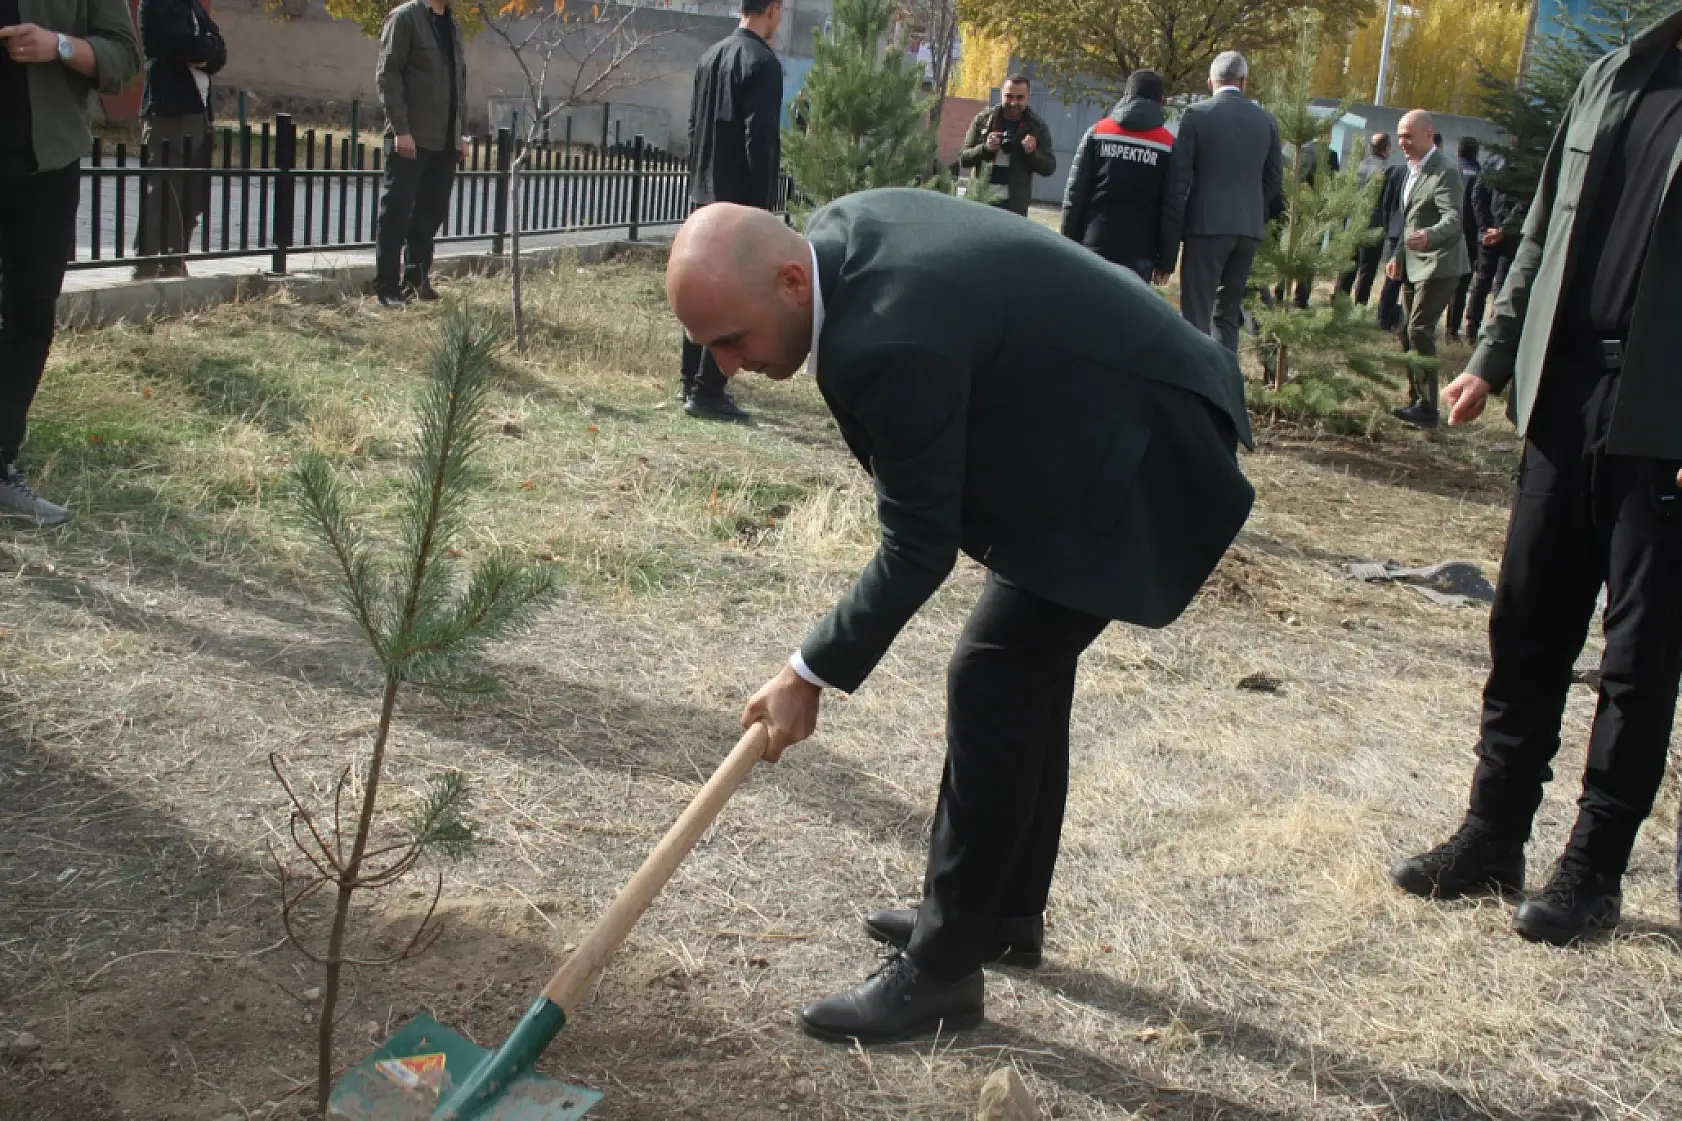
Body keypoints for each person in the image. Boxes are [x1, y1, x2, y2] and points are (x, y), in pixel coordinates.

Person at [666, 189, 1255, 1045]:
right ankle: (1001, 912)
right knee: (1018, 670)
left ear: (793, 282)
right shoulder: (834, 246)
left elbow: (918, 544)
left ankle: (942, 972)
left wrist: (809, 673)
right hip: (1100, 425)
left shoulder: (886, 336)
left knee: (996, 673)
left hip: (1146, 443)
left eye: (730, 340)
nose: (721, 366)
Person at [1389, 11, 1682, 947]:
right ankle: (1492, 834)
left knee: (1639, 656)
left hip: (1666, 416)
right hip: (1566, 392)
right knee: (1527, 621)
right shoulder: (1614, 76)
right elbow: (1541, 238)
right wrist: (1493, 356)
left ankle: (1593, 871)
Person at [0, 0, 141, 527]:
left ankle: (0, 467)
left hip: (45, 161)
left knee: (30, 316)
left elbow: (124, 56)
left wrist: (58, 45)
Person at [680, 0, 784, 422]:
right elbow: (759, 139)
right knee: (731, 298)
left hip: (701, 194)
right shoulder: (762, 62)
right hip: (737, 200)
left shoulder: (710, 57)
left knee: (697, 290)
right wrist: (762, 210)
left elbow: (692, 128)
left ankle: (690, 382)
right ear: (773, 9)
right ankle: (707, 391)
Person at [1159, 50, 1283, 353]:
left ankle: (1193, 386)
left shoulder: (1197, 115)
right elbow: (1274, 180)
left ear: (1210, 82)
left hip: (1206, 227)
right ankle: (1224, 381)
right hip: (1248, 229)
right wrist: (1250, 207)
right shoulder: (1266, 121)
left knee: (1195, 316)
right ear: (1244, 82)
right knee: (1227, 315)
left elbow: (1178, 182)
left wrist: (1169, 243)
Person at [374, 0, 469, 309]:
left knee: (430, 213)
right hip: (411, 136)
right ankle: (387, 287)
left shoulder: (452, 24)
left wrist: (460, 134)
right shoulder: (405, 18)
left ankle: (416, 281)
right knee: (396, 212)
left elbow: (457, 85)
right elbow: (388, 75)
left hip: (444, 141)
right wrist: (401, 130)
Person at [1385, 110, 1470, 427]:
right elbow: (1409, 220)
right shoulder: (1412, 169)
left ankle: (1428, 407)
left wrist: (1430, 236)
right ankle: (1415, 397)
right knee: (1406, 329)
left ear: (1428, 134)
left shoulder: (1445, 171)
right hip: (1412, 260)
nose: (1402, 142)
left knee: (1419, 328)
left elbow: (1453, 218)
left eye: (1408, 135)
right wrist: (1396, 254)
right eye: (1399, 135)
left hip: (1441, 262)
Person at [133, 0, 225, 279]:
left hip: (199, 111)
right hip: (168, 109)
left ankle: (176, 257)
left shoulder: (194, 7)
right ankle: (148, 260)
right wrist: (205, 48)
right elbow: (186, 46)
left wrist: (207, 49)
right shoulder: (159, 4)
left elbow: (219, 53)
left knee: (193, 190)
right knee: (163, 187)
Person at [1059, 68, 1174, 280]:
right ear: (1161, 101)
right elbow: (1171, 207)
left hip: (1095, 240)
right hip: (1142, 249)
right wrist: (1166, 261)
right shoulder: (1168, 144)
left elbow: (1075, 193)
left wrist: (1066, 243)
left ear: (1126, 96)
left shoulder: (1098, 132)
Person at [958, 74, 1056, 217]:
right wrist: (985, 148)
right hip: (980, 202)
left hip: (1014, 207)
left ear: (1028, 97)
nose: (1013, 103)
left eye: (1019, 98)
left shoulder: (1037, 126)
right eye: (1009, 96)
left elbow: (1049, 167)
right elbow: (963, 158)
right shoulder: (984, 120)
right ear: (1001, 95)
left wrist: (1032, 152)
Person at [1464, 155, 1524, 345]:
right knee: (1484, 283)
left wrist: (1500, 229)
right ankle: (1474, 330)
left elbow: (1524, 202)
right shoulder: (1495, 162)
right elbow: (1478, 194)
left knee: (1498, 285)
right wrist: (1486, 228)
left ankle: (1488, 333)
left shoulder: (1518, 165)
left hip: (1506, 235)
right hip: (1492, 234)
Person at [1337, 132, 1397, 305]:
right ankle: (1359, 305)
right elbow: (1387, 201)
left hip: (1351, 223)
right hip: (1373, 225)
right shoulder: (1386, 170)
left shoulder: (1357, 167)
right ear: (1386, 149)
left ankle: (1339, 303)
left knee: (1347, 267)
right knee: (1367, 269)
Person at [1445, 135, 1482, 342]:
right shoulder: (1481, 173)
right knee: (1462, 284)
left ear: (1459, 152)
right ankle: (1452, 329)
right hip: (1469, 236)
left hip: (1446, 231)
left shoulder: (1449, 169)